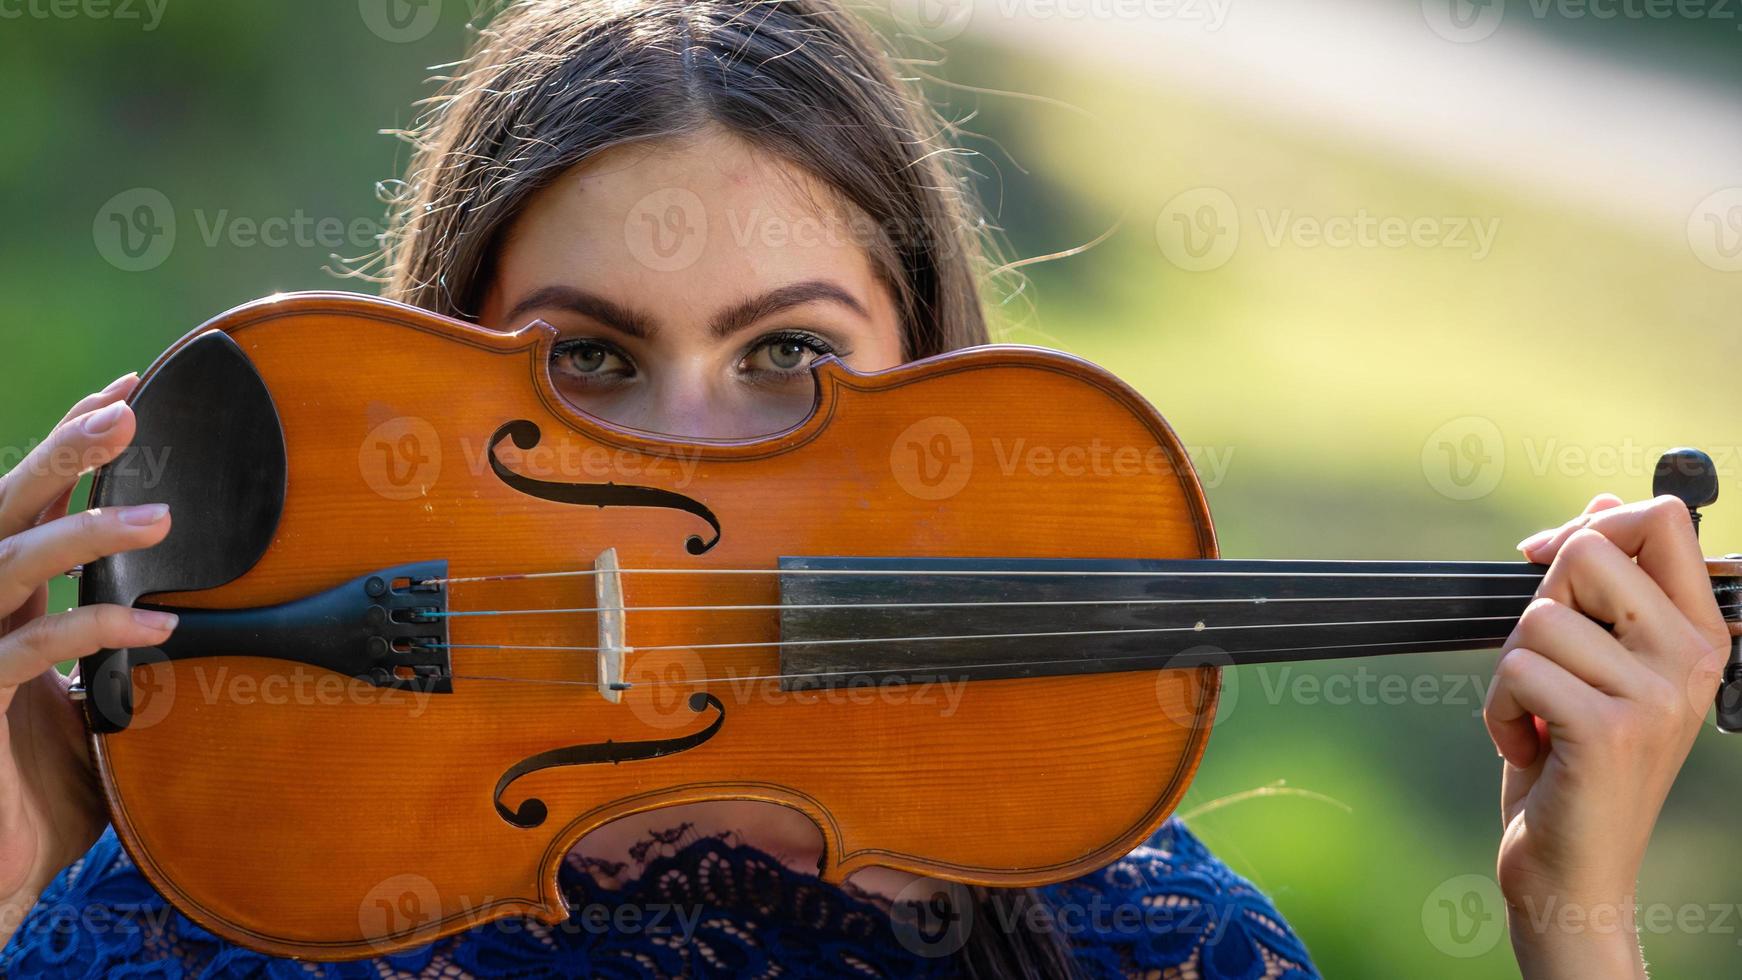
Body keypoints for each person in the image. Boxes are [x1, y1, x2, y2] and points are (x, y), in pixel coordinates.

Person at [0, 2, 1726, 976]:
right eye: (585, 363)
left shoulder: (1153, 949)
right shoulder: (223, 906)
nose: (696, 466)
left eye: (789, 365)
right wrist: (26, 875)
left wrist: (1570, 920)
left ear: (932, 395)